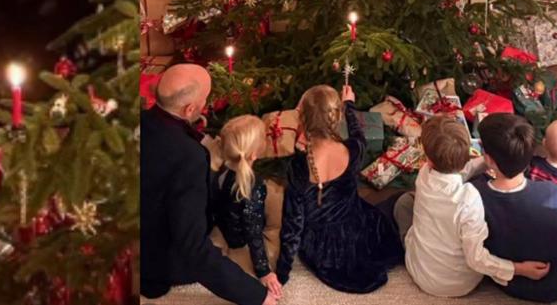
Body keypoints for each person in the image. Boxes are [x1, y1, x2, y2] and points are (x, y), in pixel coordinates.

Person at [140, 64, 275, 305]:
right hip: (154, 256)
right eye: (205, 99)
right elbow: (193, 248)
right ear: (190, 108)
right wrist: (257, 296)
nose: (207, 104)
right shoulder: (189, 157)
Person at [404, 115, 551, 297]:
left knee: (403, 205)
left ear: (429, 159)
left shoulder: (424, 173)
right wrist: (519, 269)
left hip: (419, 270)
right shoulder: (469, 196)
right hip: (457, 285)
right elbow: (476, 259)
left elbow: (456, 172)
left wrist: (489, 160)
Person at [275, 85, 403, 293]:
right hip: (354, 230)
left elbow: (293, 225)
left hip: (321, 246)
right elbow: (358, 134)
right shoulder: (353, 149)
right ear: (337, 117)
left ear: (302, 118)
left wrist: (281, 273)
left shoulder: (298, 165)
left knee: (376, 214)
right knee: (378, 219)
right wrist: (349, 105)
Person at [472, 114, 557, 303]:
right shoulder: (552, 193)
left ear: (489, 160)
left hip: (507, 282)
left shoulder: (475, 192)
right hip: (553, 285)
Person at [214, 115, 282, 299]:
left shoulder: (221, 169)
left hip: (223, 221)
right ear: (254, 155)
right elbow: (253, 230)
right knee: (277, 216)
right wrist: (264, 271)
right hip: (238, 238)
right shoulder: (253, 186)